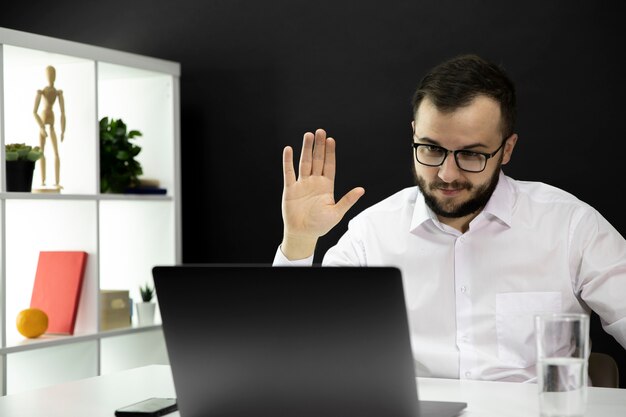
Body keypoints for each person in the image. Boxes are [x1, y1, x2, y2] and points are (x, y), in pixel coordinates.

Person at [273, 54, 626, 383]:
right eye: (431, 148)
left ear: (507, 149)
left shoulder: (569, 225)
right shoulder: (372, 233)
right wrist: (300, 241)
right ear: (414, 134)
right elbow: (290, 350)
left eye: (471, 154)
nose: (446, 174)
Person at [33, 65, 66, 190]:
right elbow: (34, 112)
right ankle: (43, 180)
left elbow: (63, 113)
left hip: (51, 120)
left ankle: (57, 181)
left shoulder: (58, 93)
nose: (52, 77)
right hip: (43, 119)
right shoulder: (42, 91)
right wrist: (41, 127)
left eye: (53, 74)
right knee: (42, 152)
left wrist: (63, 130)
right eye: (50, 74)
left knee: (55, 152)